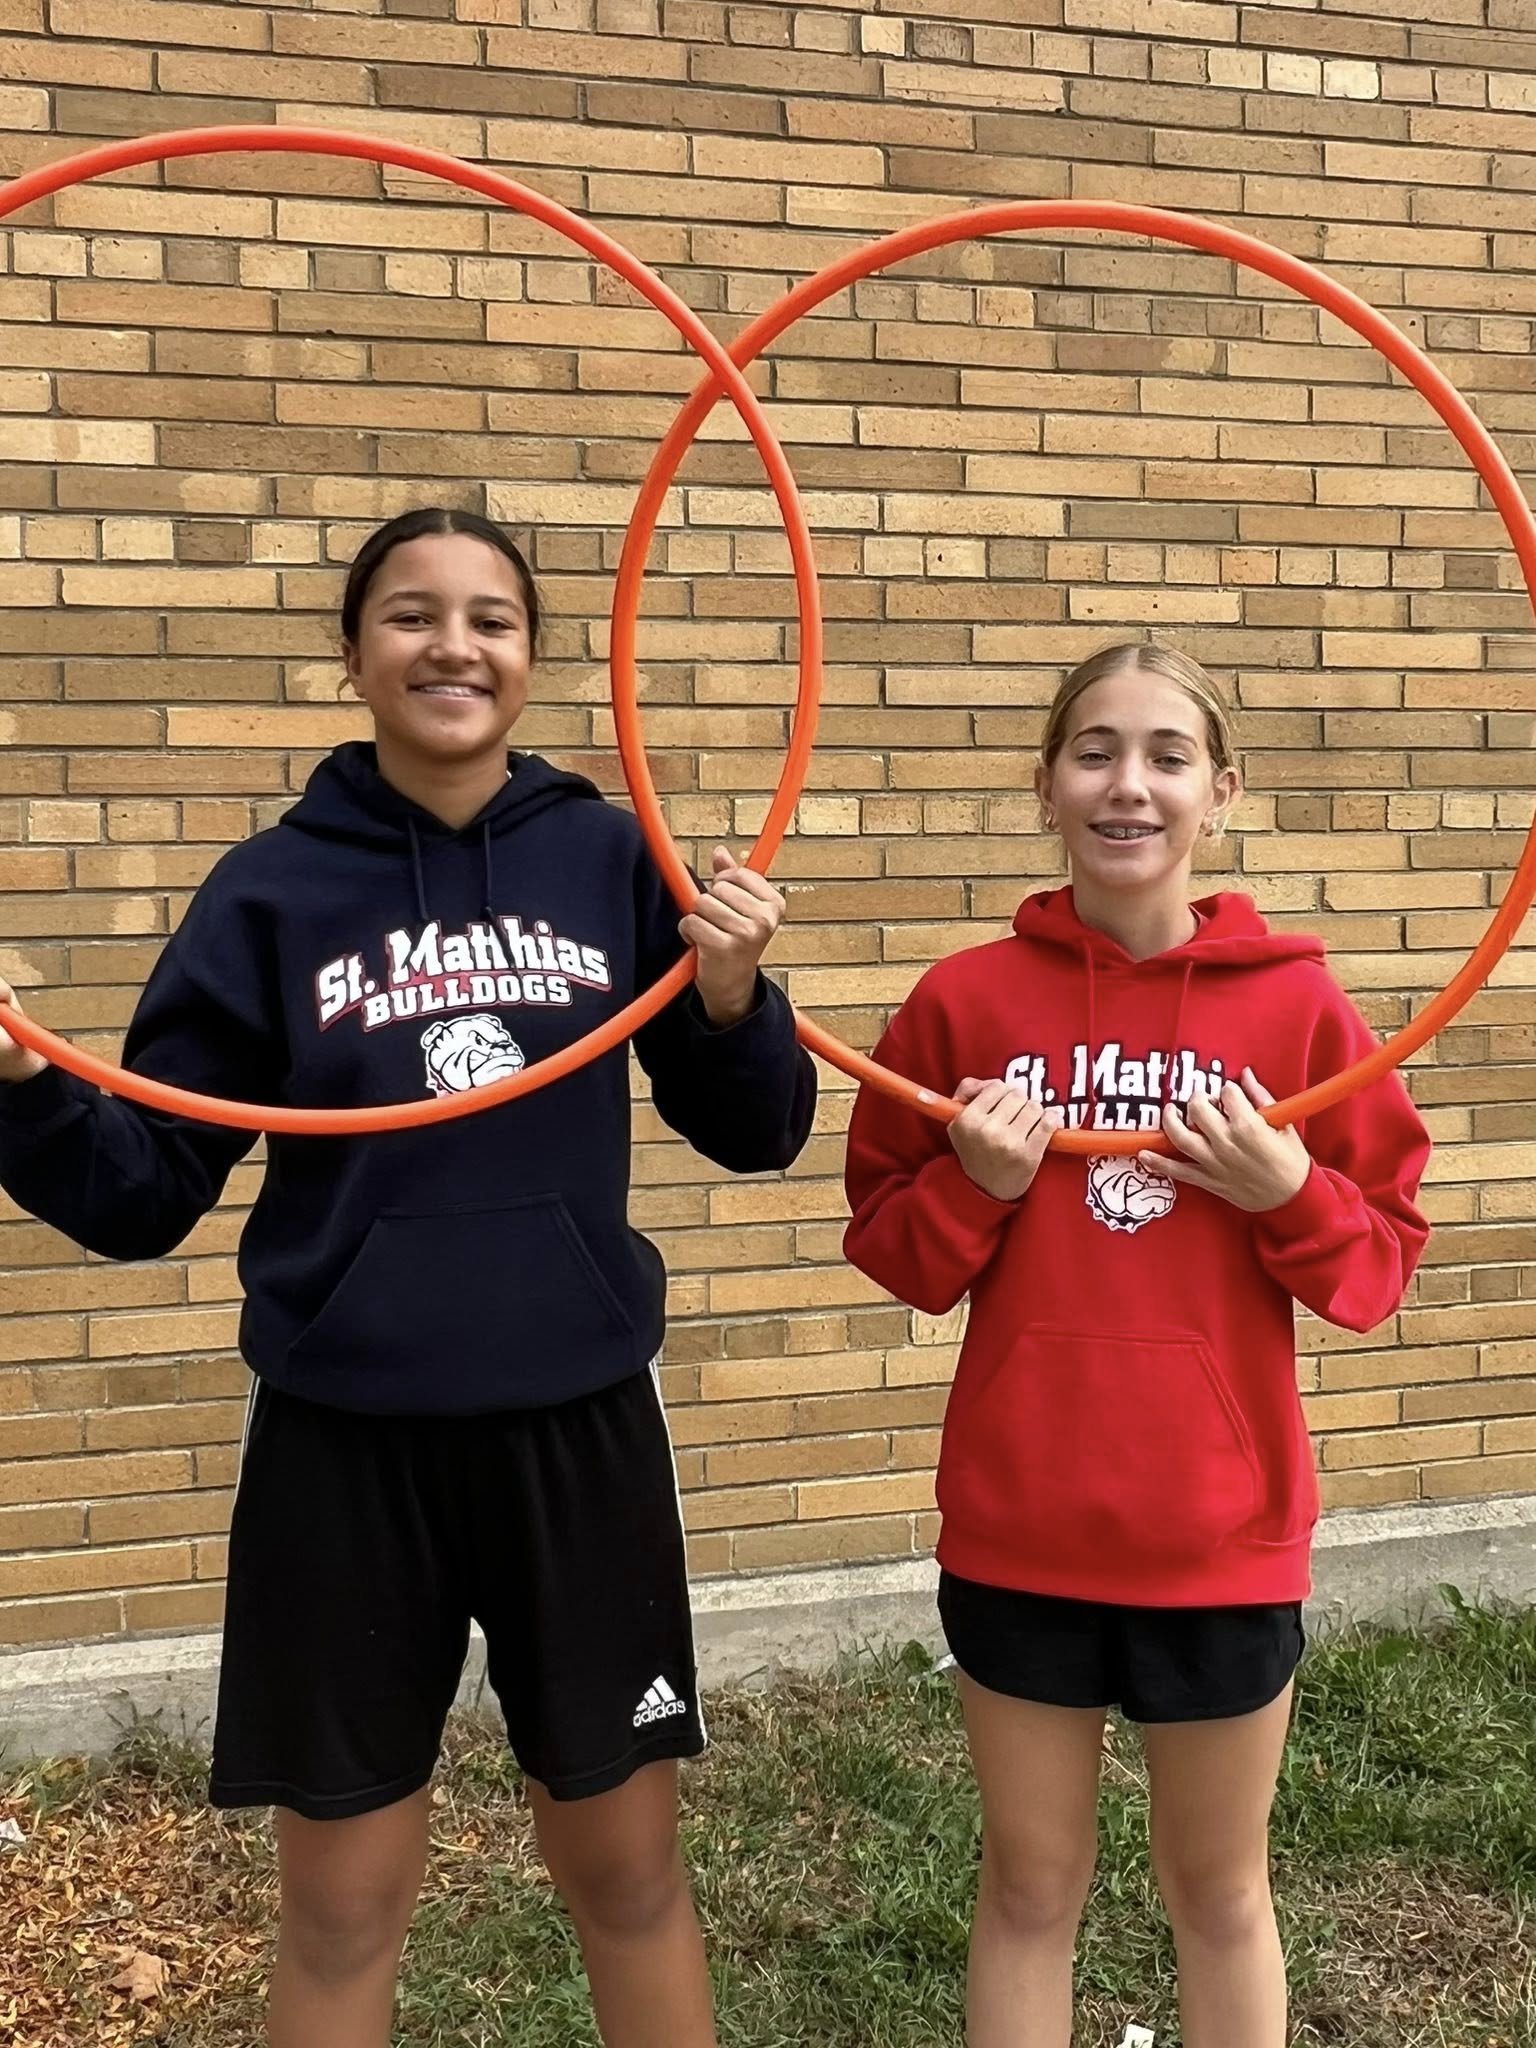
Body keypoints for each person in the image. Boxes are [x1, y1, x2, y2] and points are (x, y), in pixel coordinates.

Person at [0, 505, 816, 2048]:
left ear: (534, 654)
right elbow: (141, 1196)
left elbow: (757, 1131)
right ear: (356, 651)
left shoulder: (611, 855)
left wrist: (730, 995)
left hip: (576, 1428)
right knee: (341, 1903)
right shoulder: (268, 894)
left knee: (628, 1869)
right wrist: (19, 1081)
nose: (455, 646)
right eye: (413, 615)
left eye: (492, 618)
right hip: (344, 1443)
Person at [842, 641, 1430, 2048]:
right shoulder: (965, 1004)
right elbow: (892, 1248)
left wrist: (1288, 1195)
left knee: (1218, 1892)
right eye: (1095, 751)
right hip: (1019, 1527)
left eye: (1168, 757)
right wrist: (973, 1190)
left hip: (1217, 1534)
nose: (1130, 785)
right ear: (1044, 783)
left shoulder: (1296, 1010)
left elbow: (1378, 1268)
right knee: (1030, 1886)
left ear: (1220, 793)